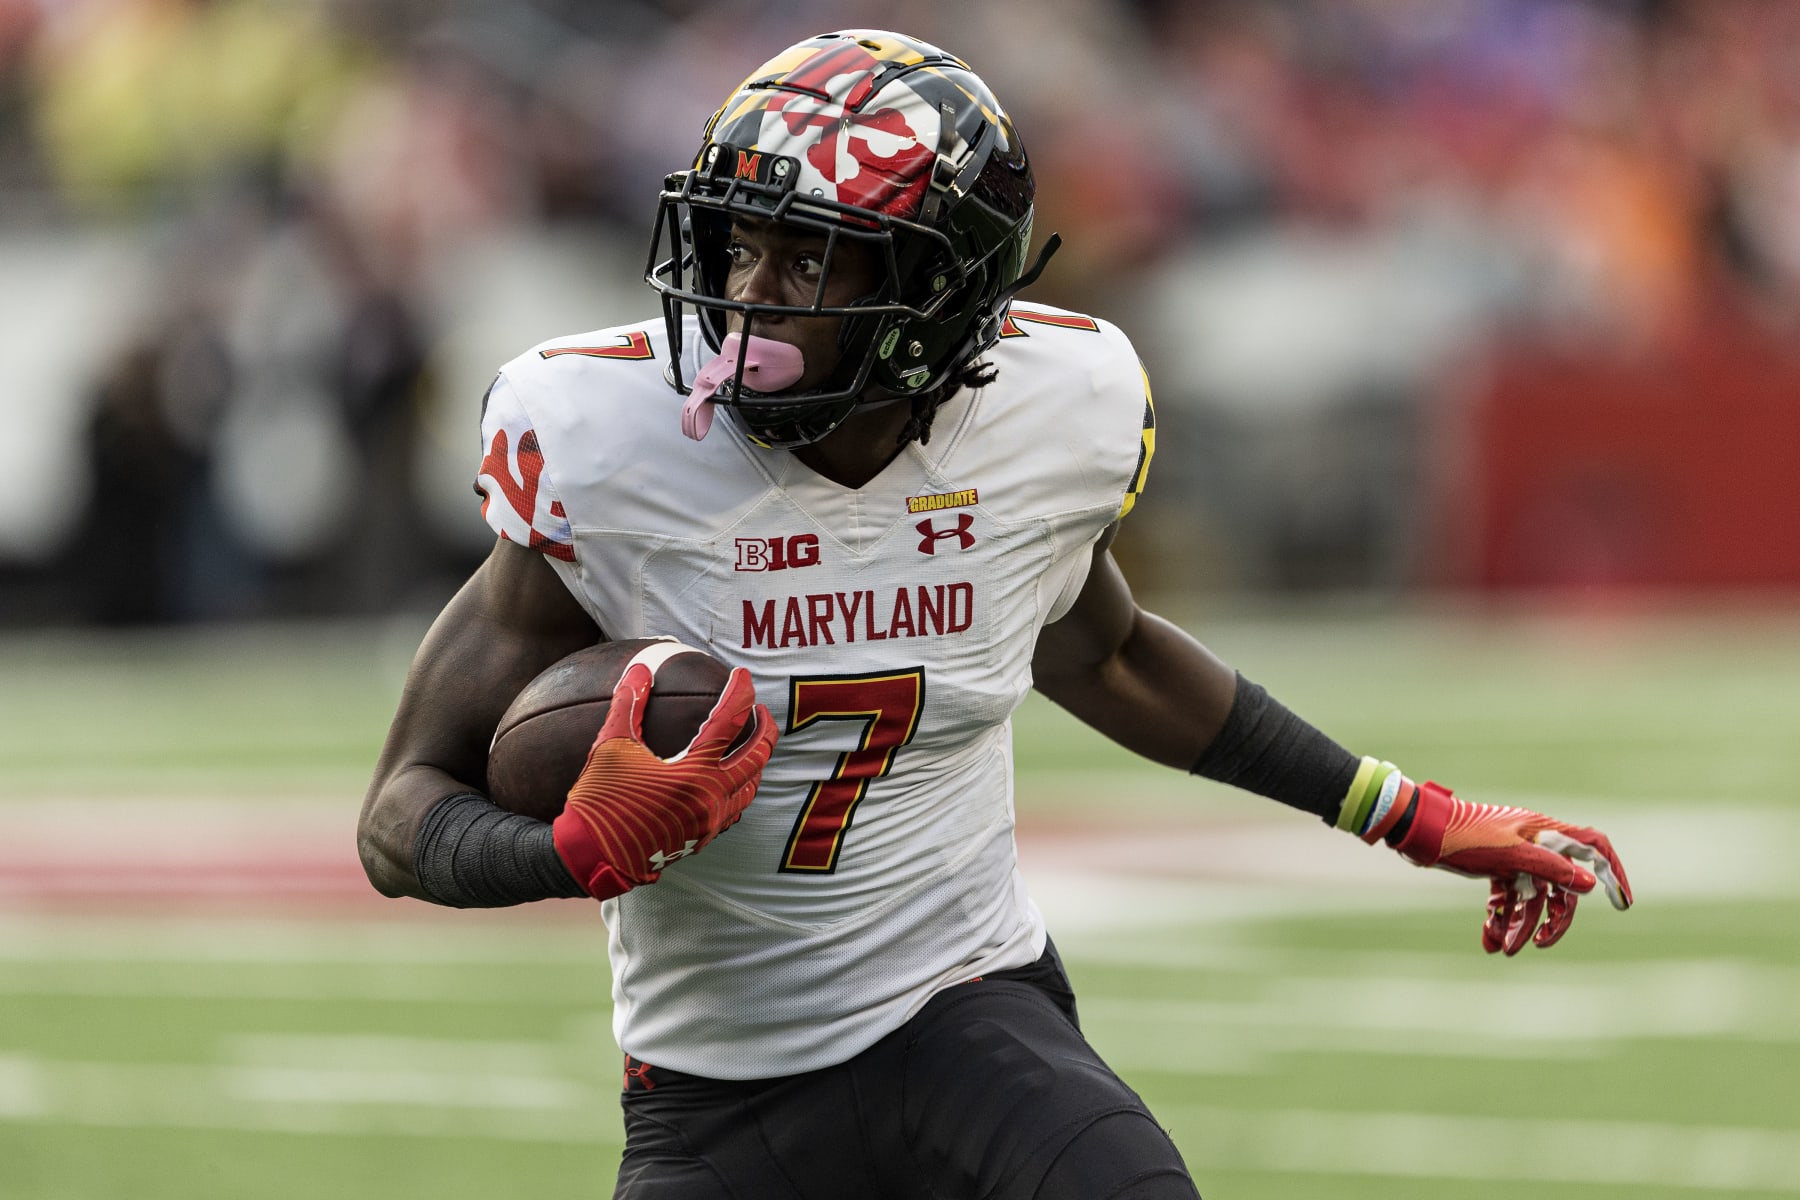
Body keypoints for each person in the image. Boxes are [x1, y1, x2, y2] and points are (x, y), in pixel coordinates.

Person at [358, 29, 1633, 1199]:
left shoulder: (1054, 408)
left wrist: (1409, 816)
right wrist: (574, 853)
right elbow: (397, 820)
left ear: (936, 289)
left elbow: (1112, 655)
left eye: (807, 255)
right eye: (739, 243)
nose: (748, 295)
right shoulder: (600, 442)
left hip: (967, 1015)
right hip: (712, 1096)